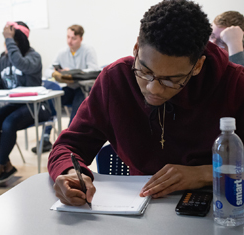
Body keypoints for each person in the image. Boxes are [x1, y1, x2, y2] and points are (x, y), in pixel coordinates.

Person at [48, 0, 244, 207]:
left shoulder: (235, 85)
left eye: (172, 79)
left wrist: (207, 173)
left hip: (222, 206)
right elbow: (68, 146)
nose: (154, 89)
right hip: (139, 206)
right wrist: (70, 173)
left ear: (198, 66)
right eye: (145, 71)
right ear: (136, 49)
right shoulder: (115, 80)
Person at [0, 21, 51, 189]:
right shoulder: (3, 60)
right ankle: (7, 165)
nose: (8, 45)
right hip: (15, 104)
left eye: (12, 41)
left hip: (36, 106)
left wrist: (9, 39)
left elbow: (20, 64)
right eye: (7, 41)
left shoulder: (33, 57)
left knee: (8, 123)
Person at [31, 25, 99, 154]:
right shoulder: (62, 52)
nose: (70, 41)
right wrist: (55, 74)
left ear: (80, 38)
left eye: (73, 38)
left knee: (77, 110)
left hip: (83, 88)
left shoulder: (88, 50)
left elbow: (94, 71)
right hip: (68, 88)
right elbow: (48, 71)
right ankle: (45, 138)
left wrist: (73, 73)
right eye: (68, 37)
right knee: (51, 103)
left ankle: (70, 142)